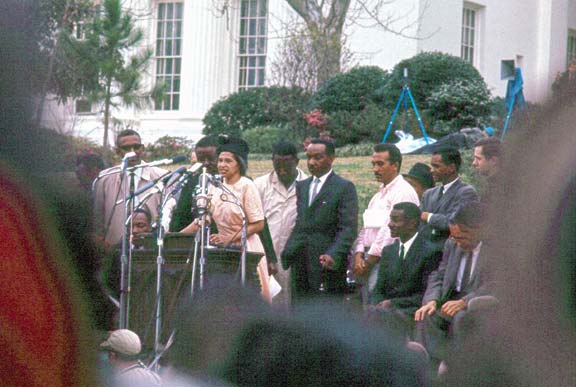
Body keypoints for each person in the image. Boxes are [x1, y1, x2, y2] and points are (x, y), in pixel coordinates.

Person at [181, 137, 270, 294]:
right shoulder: (216, 186)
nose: (222, 165)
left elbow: (258, 224)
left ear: (239, 163)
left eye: (228, 161)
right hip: (223, 252)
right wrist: (175, 237)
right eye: (220, 160)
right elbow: (203, 219)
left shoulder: (246, 185)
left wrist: (229, 238)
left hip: (246, 248)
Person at [414, 202, 492, 365]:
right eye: (454, 238)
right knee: (425, 315)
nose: (457, 243)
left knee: (461, 318)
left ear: (479, 230)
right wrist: (432, 300)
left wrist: (465, 301)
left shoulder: (497, 249)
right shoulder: (452, 244)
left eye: (462, 237)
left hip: (476, 303)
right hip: (449, 298)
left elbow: (496, 284)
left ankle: (456, 370)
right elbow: (439, 275)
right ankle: (430, 369)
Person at [282, 138, 358, 303]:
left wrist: (334, 254)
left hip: (326, 264)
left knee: (324, 314)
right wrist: (289, 250)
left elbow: (348, 228)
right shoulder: (302, 186)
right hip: (300, 261)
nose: (311, 162)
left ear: (331, 159)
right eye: (308, 157)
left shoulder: (343, 187)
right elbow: (302, 223)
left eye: (318, 157)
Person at [352, 144, 419, 304]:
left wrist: (368, 262)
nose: (375, 169)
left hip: (386, 261)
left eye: (380, 164)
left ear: (395, 165)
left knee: (376, 307)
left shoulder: (403, 192)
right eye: (373, 164)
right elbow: (366, 228)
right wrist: (359, 254)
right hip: (369, 259)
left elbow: (390, 233)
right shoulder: (378, 196)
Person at [254, 140, 308, 306]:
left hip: (296, 253)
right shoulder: (260, 185)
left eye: (287, 165)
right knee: (268, 298)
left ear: (297, 162)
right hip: (267, 252)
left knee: (295, 300)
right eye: (278, 165)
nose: (282, 170)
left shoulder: (307, 184)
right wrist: (267, 256)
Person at [369, 202, 443, 324]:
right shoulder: (389, 251)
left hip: (411, 310)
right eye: (390, 219)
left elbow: (424, 293)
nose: (390, 224)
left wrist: (393, 303)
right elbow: (379, 288)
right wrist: (375, 305)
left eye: (395, 220)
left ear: (412, 223)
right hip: (385, 310)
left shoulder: (430, 252)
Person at [93, 129, 167, 246]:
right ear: (118, 151)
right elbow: (97, 219)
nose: (132, 152)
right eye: (126, 148)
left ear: (142, 148)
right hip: (114, 250)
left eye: (136, 147)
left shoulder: (162, 176)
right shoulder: (104, 179)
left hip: (152, 250)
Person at [419, 147, 479, 248]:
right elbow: (419, 221)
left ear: (451, 167)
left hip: (447, 251)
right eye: (431, 166)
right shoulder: (429, 194)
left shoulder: (466, 192)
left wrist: (429, 217)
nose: (431, 170)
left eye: (436, 166)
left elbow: (455, 222)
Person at [169, 135, 220, 232]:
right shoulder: (191, 182)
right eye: (201, 160)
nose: (206, 163)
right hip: (194, 241)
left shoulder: (236, 182)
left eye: (211, 159)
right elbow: (181, 215)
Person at [472, 137, 503, 205]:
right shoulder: (492, 185)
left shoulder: (501, 190)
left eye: (478, 159)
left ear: (493, 160)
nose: (474, 163)